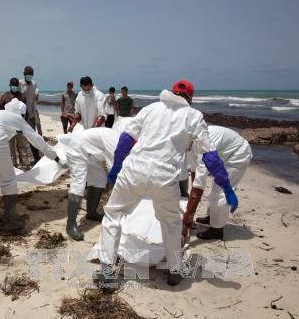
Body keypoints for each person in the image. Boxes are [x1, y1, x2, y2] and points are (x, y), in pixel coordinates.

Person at [95, 80, 238, 288]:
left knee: (113, 215)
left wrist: (117, 165)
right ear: (190, 97)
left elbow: (127, 138)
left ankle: (107, 272)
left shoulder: (151, 108)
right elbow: (210, 156)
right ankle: (174, 271)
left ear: (172, 92)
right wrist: (226, 187)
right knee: (171, 224)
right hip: (165, 176)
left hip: (134, 170)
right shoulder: (194, 117)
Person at [0, 98, 65, 232]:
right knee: (8, 181)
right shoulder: (18, 119)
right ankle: (10, 223)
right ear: (21, 113)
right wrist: (56, 158)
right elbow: (38, 141)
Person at [182, 125, 252, 240]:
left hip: (237, 154)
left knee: (220, 191)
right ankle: (212, 218)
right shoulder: (189, 147)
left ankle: (217, 230)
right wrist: (191, 206)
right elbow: (194, 173)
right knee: (214, 190)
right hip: (222, 153)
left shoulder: (203, 145)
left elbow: (199, 184)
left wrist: (188, 217)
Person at [65, 127, 120, 241]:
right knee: (79, 183)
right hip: (77, 148)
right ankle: (70, 225)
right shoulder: (115, 141)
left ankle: (91, 212)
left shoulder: (120, 138)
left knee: (100, 179)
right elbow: (113, 168)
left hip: (91, 153)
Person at [1, 78, 30, 169]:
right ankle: (13, 166)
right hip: (8, 127)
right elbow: (0, 110)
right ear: (10, 85)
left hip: (19, 126)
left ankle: (26, 164)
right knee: (10, 147)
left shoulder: (22, 96)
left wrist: (25, 124)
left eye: (16, 86)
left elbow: (26, 111)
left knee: (22, 146)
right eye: (13, 85)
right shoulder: (5, 96)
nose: (14, 87)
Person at [19, 66, 41, 163]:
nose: (29, 77)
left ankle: (36, 157)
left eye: (31, 75)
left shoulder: (34, 84)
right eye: (27, 75)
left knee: (32, 136)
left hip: (31, 114)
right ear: (24, 75)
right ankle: (23, 160)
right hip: (21, 115)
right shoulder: (20, 83)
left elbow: (34, 100)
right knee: (21, 138)